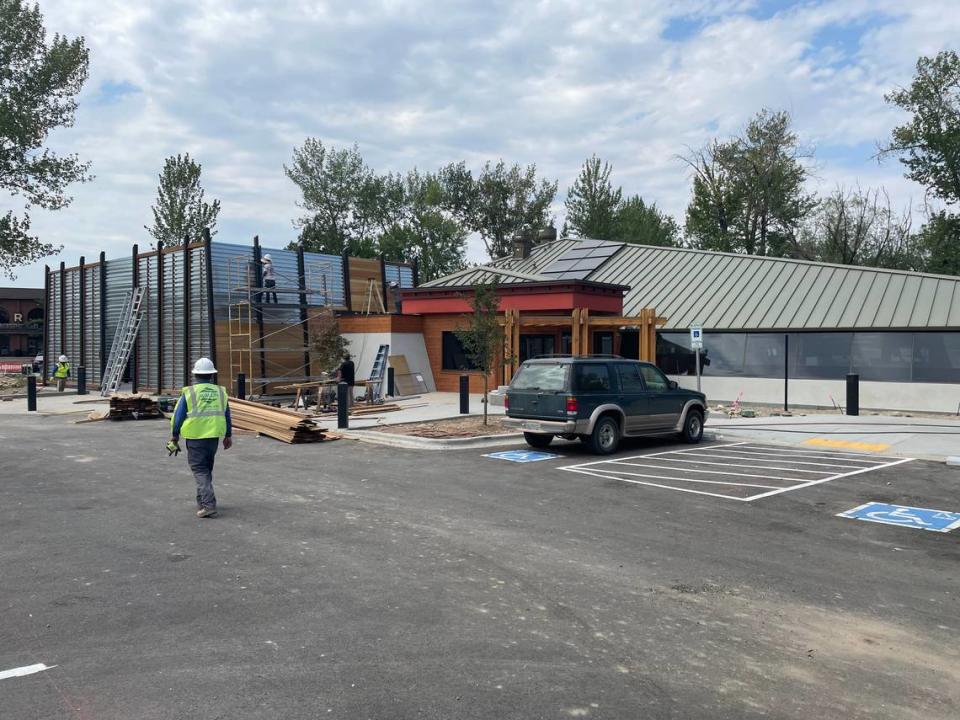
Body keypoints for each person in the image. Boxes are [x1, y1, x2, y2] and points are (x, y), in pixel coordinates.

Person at [169, 357, 232, 518]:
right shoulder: (220, 392)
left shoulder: (189, 393)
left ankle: (209, 505)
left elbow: (178, 416)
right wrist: (228, 435)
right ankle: (202, 502)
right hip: (213, 437)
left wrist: (175, 436)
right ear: (211, 374)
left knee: (199, 470)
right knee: (206, 469)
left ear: (195, 375)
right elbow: (227, 414)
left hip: (195, 437)